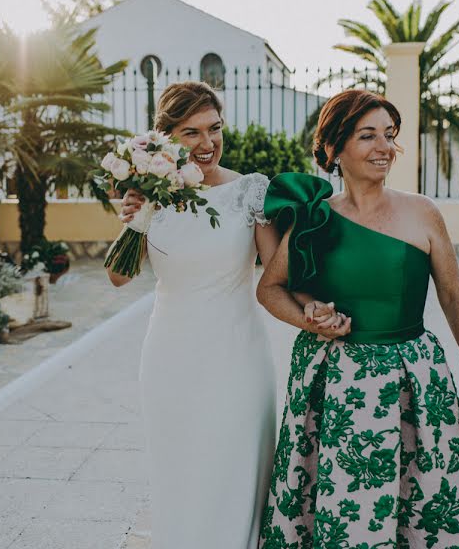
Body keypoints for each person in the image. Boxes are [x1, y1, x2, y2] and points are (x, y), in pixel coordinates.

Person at [257, 89, 459, 548]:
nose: (384, 148)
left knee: (424, 502)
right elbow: (270, 288)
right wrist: (310, 319)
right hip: (336, 387)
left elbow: (454, 296)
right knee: (347, 509)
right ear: (333, 148)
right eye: (367, 136)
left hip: (415, 382)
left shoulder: (423, 212)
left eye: (389, 135)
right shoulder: (316, 217)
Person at [109, 81, 341, 548]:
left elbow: (277, 277)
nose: (207, 143)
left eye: (214, 129)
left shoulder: (250, 192)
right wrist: (132, 219)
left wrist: (311, 309)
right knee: (181, 476)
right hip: (170, 356)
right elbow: (118, 277)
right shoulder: (150, 192)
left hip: (237, 357)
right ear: (166, 138)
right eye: (191, 132)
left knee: (233, 472)